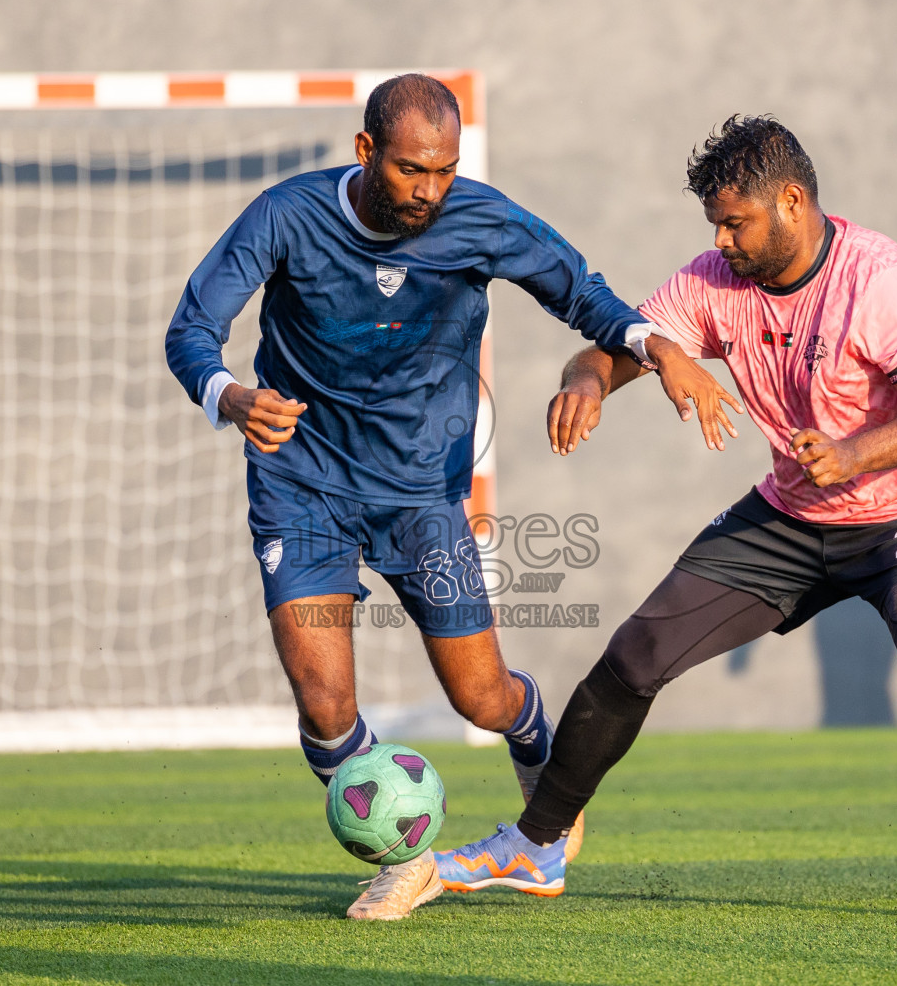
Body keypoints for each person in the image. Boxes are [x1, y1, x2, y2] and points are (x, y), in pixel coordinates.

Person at [434, 115, 897, 924]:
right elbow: (612, 347)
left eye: (736, 222)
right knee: (637, 653)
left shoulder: (877, 278)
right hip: (795, 512)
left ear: (793, 202)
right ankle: (536, 846)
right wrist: (587, 381)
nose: (724, 241)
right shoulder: (711, 283)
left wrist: (855, 453)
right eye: (716, 226)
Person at [165, 74, 695, 920]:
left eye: (444, 171)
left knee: (480, 699)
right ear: (366, 151)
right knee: (325, 701)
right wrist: (230, 395)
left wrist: (646, 343)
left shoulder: (479, 218)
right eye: (413, 171)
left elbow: (580, 292)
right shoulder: (285, 215)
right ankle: (406, 854)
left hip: (420, 494)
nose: (430, 191)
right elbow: (192, 329)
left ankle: (536, 752)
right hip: (302, 483)